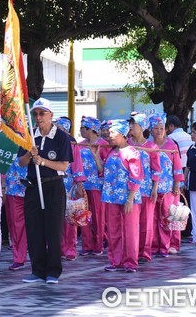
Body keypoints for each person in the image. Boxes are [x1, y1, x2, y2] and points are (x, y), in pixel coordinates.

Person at [18, 98, 73, 285]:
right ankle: (37, 270)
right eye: (35, 114)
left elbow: (64, 165)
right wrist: (29, 154)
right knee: (34, 229)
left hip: (53, 186)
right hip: (33, 186)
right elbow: (21, 162)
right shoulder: (29, 135)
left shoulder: (61, 137)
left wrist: (42, 161)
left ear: (51, 115)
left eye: (42, 113)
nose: (38, 117)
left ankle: (53, 271)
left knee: (53, 229)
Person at [102, 119, 143, 273]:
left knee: (130, 230)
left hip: (128, 198)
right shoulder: (111, 151)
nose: (109, 135)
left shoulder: (132, 153)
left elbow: (136, 177)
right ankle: (115, 261)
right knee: (113, 230)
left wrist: (130, 199)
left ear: (123, 135)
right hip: (111, 197)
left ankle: (131, 262)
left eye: (113, 132)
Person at [148, 113, 184, 257]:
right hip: (151, 188)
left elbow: (177, 166)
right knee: (153, 218)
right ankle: (155, 244)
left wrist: (177, 184)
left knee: (170, 216)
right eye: (155, 128)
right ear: (150, 130)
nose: (158, 131)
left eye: (161, 128)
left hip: (169, 188)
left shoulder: (171, 144)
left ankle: (171, 244)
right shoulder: (149, 145)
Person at [128, 113, 160, 264]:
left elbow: (156, 169)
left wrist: (155, 187)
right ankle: (131, 252)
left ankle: (144, 253)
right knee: (131, 223)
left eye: (134, 124)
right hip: (129, 191)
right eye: (130, 124)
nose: (131, 127)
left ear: (142, 127)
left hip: (146, 189)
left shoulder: (151, 146)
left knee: (146, 222)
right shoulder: (125, 144)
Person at [79, 116, 111, 256]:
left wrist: (96, 156)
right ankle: (87, 245)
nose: (80, 130)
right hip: (83, 185)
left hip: (98, 186)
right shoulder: (80, 144)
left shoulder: (103, 144)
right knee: (83, 215)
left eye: (82, 128)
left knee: (98, 216)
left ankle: (99, 245)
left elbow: (104, 168)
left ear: (91, 130)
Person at [55, 116, 85, 261]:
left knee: (70, 218)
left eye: (62, 128)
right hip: (54, 184)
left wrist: (79, 184)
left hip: (69, 186)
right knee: (55, 218)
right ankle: (58, 247)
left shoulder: (73, 144)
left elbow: (78, 165)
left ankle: (70, 248)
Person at [4, 159, 28, 271]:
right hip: (13, 189)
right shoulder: (6, 143)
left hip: (36, 187)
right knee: (16, 226)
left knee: (40, 224)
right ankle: (19, 258)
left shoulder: (34, 142)